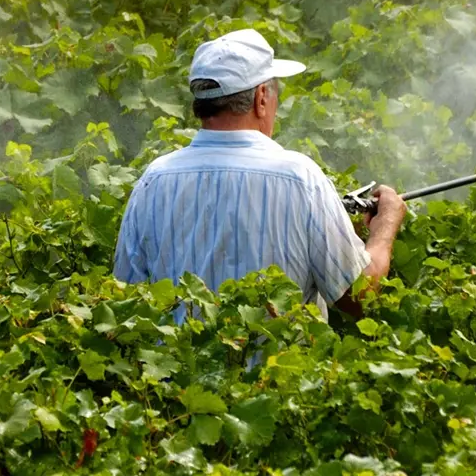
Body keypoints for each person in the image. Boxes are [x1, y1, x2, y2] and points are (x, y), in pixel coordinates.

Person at [112, 28, 406, 324]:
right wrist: (385, 226)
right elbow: (358, 299)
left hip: (175, 370)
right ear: (261, 98)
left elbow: (125, 300)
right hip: (284, 371)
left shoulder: (154, 180)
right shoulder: (300, 178)